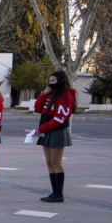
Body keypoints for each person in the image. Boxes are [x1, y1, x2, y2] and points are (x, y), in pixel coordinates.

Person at [34, 69, 75, 202]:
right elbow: (37, 108)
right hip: (47, 130)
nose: (50, 83)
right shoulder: (50, 94)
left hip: (57, 131)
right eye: (49, 81)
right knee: (49, 162)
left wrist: (42, 128)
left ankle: (59, 194)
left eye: (53, 81)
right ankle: (54, 192)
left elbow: (60, 118)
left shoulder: (65, 96)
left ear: (61, 81)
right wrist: (43, 95)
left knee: (56, 162)